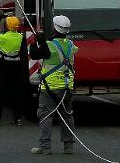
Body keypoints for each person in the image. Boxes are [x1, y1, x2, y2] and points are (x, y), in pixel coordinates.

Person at [30, 14, 78, 155]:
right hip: (67, 86)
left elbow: (34, 54)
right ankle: (68, 146)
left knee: (45, 115)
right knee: (67, 115)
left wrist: (35, 41)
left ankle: (45, 147)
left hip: (50, 87)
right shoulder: (70, 45)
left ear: (54, 27)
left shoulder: (48, 45)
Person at [0, 15, 29, 125]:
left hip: (3, 69)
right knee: (16, 94)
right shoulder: (20, 38)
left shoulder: (2, 38)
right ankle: (17, 119)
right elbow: (23, 53)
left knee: (1, 94)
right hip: (17, 69)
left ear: (7, 26)